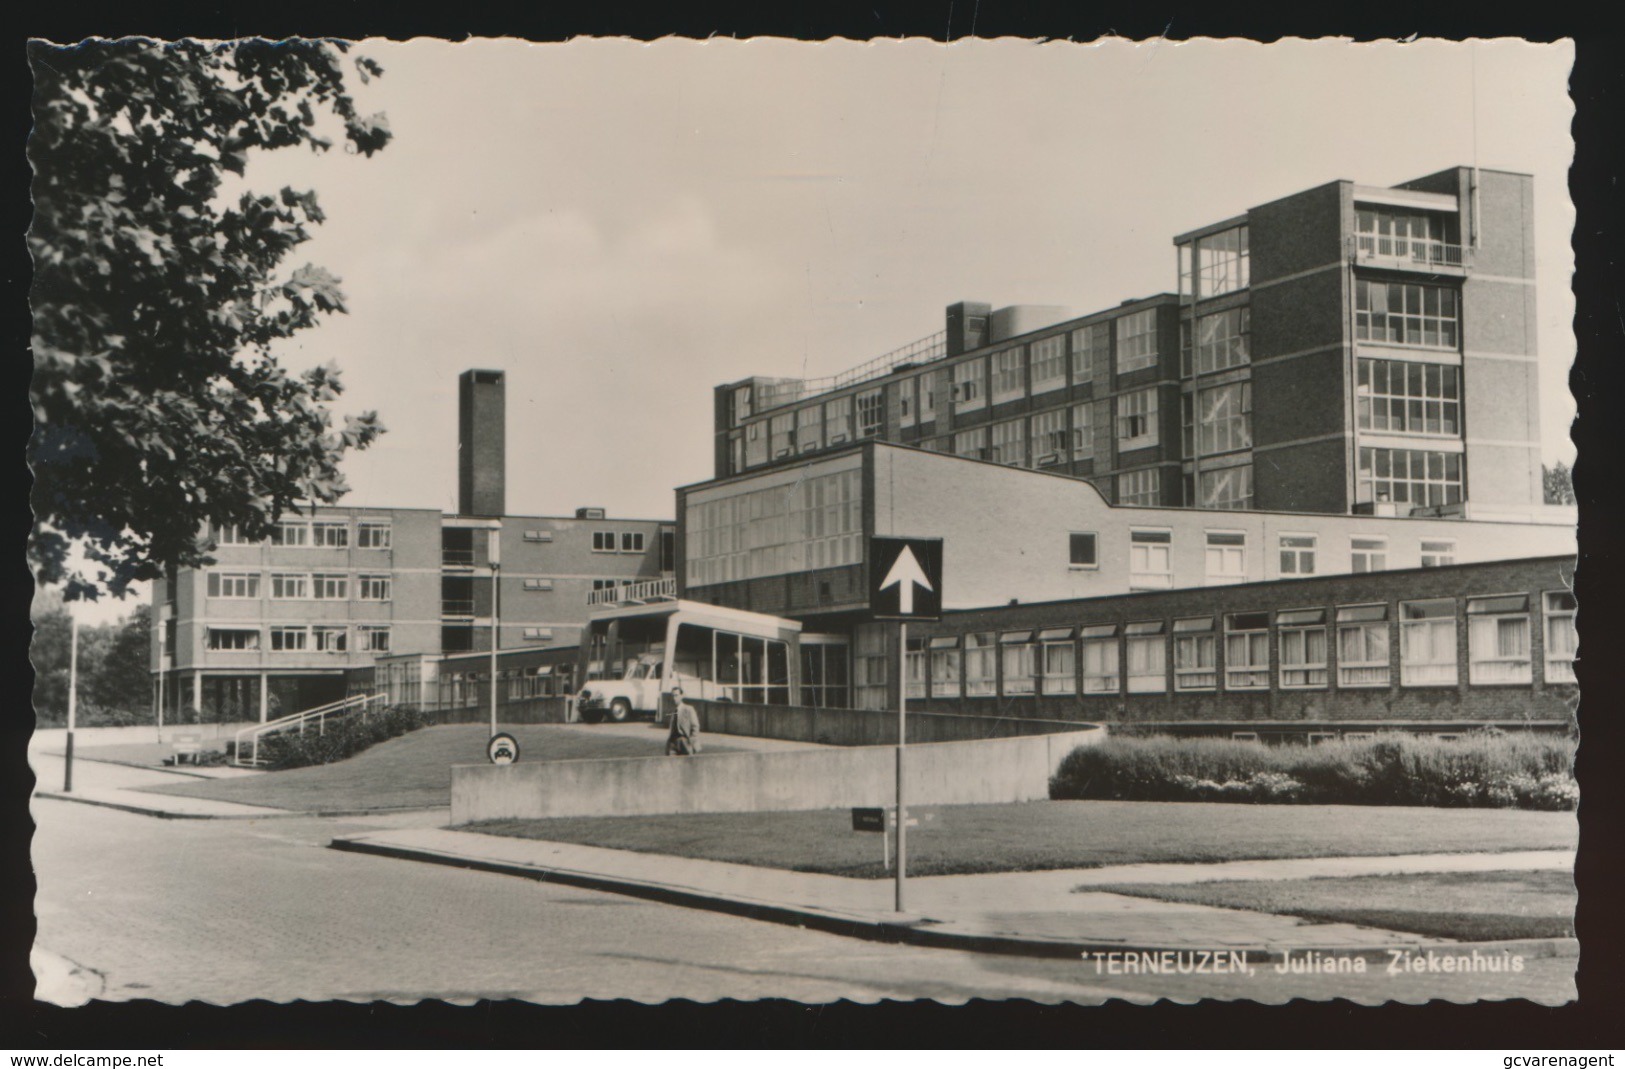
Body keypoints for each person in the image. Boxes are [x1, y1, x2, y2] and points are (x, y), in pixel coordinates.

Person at [666, 686, 701, 756]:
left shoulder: (688, 709)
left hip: (685, 741)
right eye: (672, 696)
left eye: (676, 695)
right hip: (673, 742)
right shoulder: (673, 711)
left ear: (681, 696)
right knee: (671, 764)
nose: (674, 698)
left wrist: (691, 741)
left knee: (688, 764)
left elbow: (695, 726)